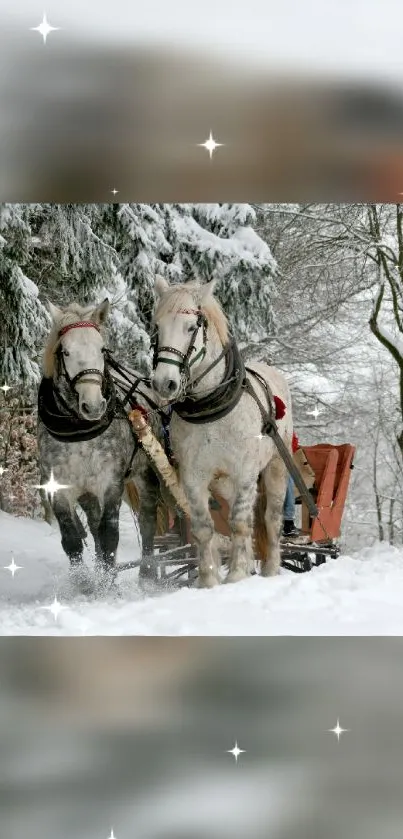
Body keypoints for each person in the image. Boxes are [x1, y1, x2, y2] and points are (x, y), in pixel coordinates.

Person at [282, 431, 300, 538]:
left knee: (287, 477)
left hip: (280, 459)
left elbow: (293, 444)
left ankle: (288, 522)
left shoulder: (287, 427)